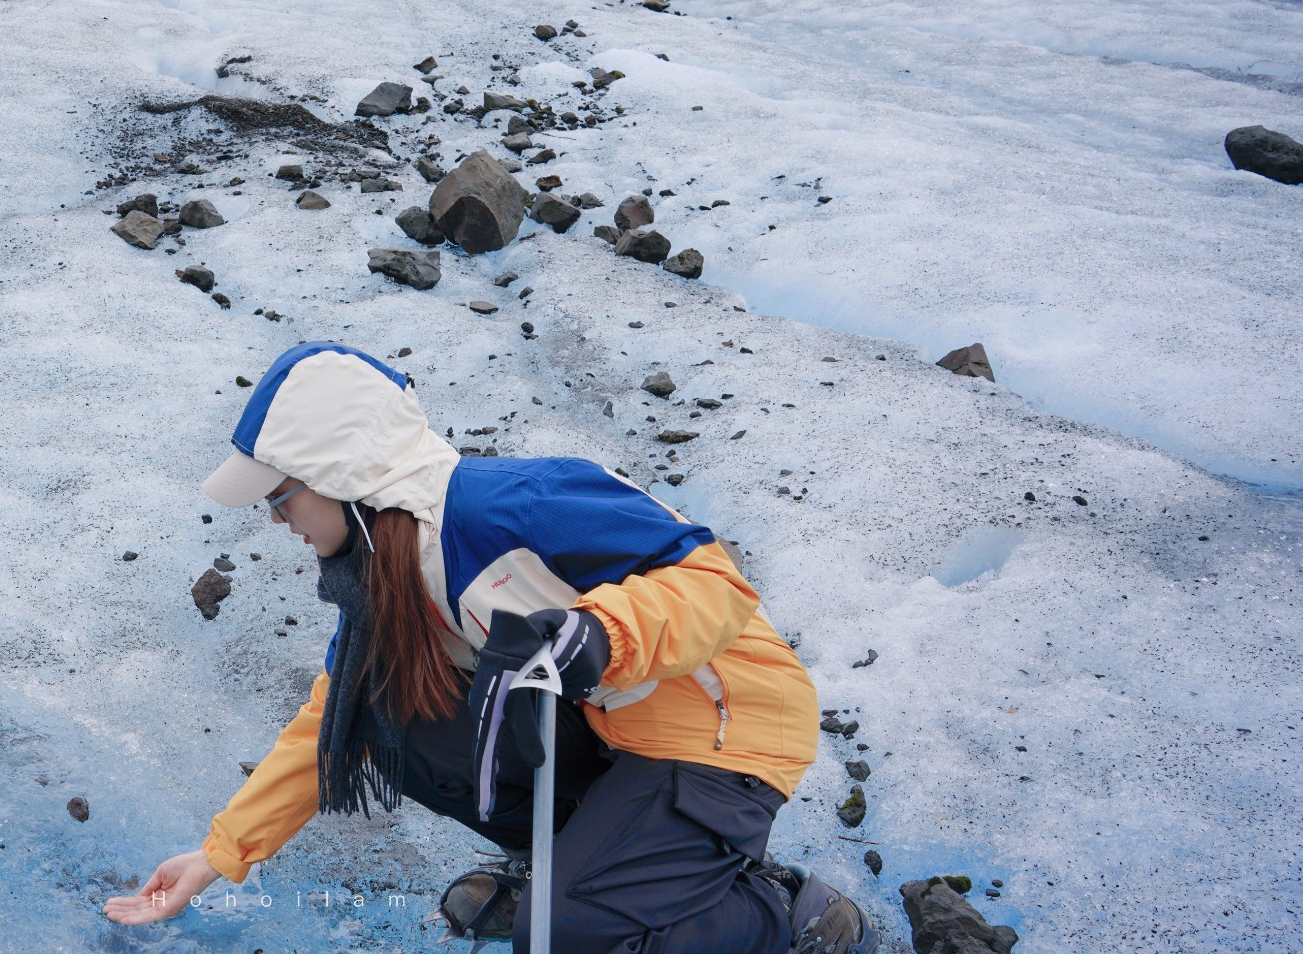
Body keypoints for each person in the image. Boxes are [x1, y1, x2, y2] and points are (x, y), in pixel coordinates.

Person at [103, 342, 869, 953]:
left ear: (340, 474)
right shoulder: (384, 576)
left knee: (566, 934)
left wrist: (602, 633)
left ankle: (781, 911)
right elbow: (329, 722)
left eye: (280, 495)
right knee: (382, 712)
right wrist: (215, 858)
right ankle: (590, 863)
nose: (276, 518)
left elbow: (716, 585)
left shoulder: (510, 505)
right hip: (611, 729)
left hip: (724, 732)